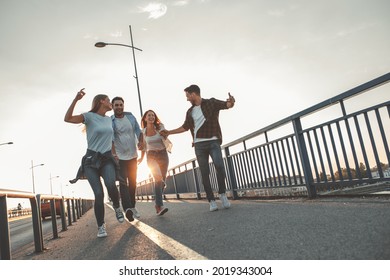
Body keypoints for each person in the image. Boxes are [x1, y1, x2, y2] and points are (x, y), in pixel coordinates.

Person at [161, 84, 235, 212]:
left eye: (188, 96)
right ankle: (211, 201)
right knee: (205, 172)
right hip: (199, 145)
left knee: (219, 166)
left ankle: (222, 194)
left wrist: (231, 102)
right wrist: (169, 132)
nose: (187, 99)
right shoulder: (190, 112)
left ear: (193, 94)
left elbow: (227, 105)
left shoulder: (211, 103)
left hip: (213, 141)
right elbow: (184, 127)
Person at [64, 88, 125, 238]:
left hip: (106, 159)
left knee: (111, 184)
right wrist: (76, 100)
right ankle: (101, 226)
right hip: (91, 161)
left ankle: (117, 207)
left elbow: (110, 139)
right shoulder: (89, 116)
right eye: (109, 100)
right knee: (98, 194)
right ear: (101, 101)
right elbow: (68, 118)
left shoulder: (108, 119)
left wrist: (114, 154)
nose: (111, 103)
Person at [111, 96, 142, 221]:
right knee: (123, 183)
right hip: (120, 157)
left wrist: (141, 142)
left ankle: (132, 206)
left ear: (123, 105)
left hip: (132, 155)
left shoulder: (130, 117)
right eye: (116, 105)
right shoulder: (111, 120)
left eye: (120, 105)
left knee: (133, 183)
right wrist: (114, 155)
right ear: (112, 107)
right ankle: (127, 209)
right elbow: (111, 139)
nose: (119, 107)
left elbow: (138, 131)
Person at [138, 109, 172, 216]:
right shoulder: (143, 132)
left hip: (163, 155)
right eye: (149, 115)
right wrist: (141, 158)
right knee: (158, 178)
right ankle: (159, 206)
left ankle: (157, 204)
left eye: (153, 115)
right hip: (151, 156)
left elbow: (165, 137)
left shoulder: (160, 127)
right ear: (145, 118)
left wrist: (164, 134)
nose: (151, 117)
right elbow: (143, 147)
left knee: (161, 180)